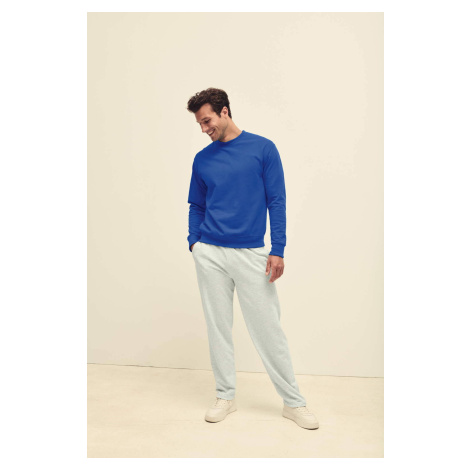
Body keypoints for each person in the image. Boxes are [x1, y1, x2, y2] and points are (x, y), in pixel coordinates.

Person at [186, 88, 319, 430]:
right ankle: (225, 396)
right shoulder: (202, 159)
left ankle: (293, 402)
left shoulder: (263, 149)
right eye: (200, 124)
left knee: (268, 329)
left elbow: (277, 200)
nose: (204, 129)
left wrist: (278, 249)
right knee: (218, 328)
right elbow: (197, 205)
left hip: (251, 253)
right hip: (210, 253)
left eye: (207, 121)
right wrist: (195, 244)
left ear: (225, 111)